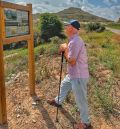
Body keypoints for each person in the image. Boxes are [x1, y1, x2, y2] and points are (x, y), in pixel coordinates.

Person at [47, 20, 92, 129]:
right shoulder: (73, 40)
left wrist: (65, 48)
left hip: (78, 76)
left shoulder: (75, 41)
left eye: (67, 26)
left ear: (72, 28)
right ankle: (58, 101)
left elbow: (72, 61)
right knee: (64, 85)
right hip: (73, 74)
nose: (66, 27)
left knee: (81, 99)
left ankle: (86, 123)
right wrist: (66, 48)